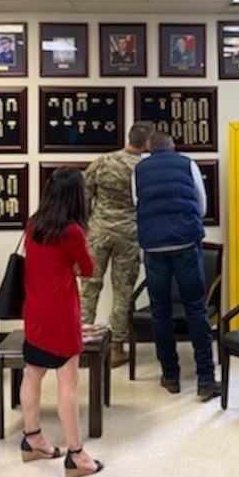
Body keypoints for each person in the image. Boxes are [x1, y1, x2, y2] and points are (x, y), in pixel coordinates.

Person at [20, 166, 103, 477]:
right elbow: (89, 268)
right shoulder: (72, 232)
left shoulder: (33, 224)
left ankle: (32, 439)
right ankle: (76, 455)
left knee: (32, 373)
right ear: (76, 196)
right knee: (67, 383)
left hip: (34, 313)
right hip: (60, 316)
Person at [133, 131, 221, 401]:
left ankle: (170, 375)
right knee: (196, 309)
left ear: (149, 147)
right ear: (173, 147)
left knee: (161, 312)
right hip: (185, 244)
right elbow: (202, 205)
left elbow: (137, 203)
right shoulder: (187, 164)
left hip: (154, 248)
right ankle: (206, 379)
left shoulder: (138, 169)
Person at [80, 121, 155, 367]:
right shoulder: (145, 168)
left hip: (98, 231)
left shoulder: (102, 162)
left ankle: (81, 341)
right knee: (123, 291)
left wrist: (89, 223)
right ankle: (116, 348)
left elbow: (84, 194)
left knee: (90, 286)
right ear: (147, 143)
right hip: (129, 234)